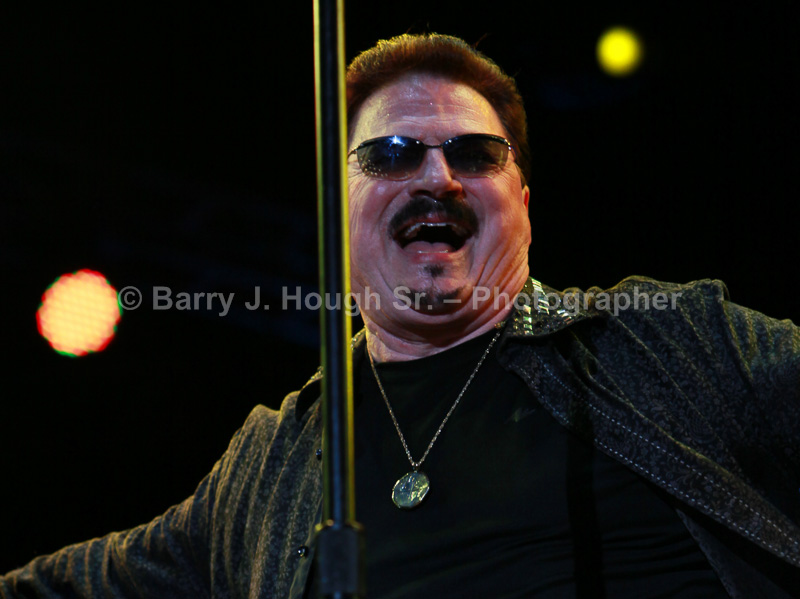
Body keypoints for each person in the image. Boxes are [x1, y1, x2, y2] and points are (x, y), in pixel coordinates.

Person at [2, 32, 799, 598]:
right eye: (391, 155)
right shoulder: (275, 461)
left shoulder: (662, 339)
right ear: (338, 212)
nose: (437, 178)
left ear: (523, 206)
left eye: (474, 154)